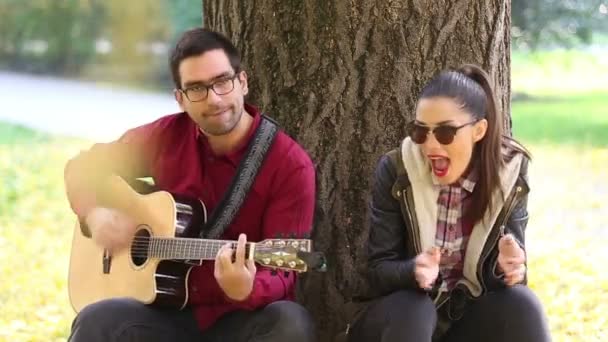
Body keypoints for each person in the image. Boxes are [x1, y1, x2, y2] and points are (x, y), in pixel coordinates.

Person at [64, 28, 316, 342]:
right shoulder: (165, 137)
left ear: (243, 82)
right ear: (180, 99)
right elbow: (83, 167)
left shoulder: (289, 165)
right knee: (98, 320)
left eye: (223, 81)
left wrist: (246, 288)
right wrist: (95, 214)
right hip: (161, 315)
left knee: (290, 322)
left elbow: (284, 270)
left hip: (236, 319)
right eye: (196, 88)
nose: (214, 99)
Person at [347, 64, 551, 342]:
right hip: (401, 322)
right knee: (416, 310)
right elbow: (377, 270)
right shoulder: (398, 170)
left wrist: (508, 269)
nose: (430, 146)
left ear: (478, 130)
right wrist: (413, 271)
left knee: (522, 304)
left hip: (467, 322)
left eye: (445, 133)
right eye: (420, 132)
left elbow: (506, 280)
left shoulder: (510, 173)